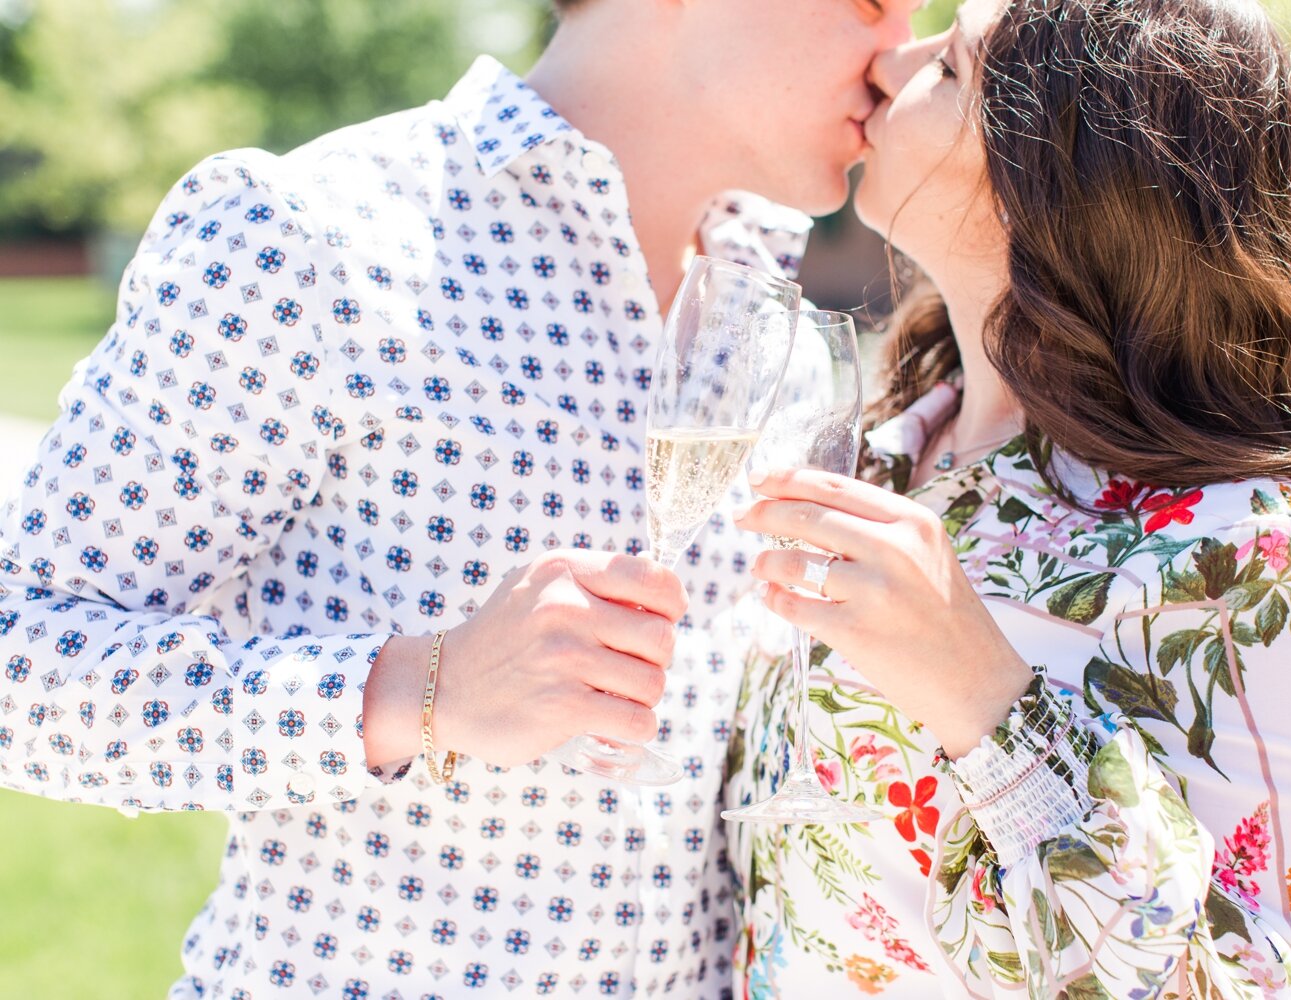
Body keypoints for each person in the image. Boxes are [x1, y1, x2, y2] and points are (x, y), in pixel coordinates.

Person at [0, 1, 919, 996]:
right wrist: (418, 690)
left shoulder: (779, 329)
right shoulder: (313, 239)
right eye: (871, 1)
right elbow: (20, 667)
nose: (901, 53)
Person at [726, 0, 1291, 995]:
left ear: (1059, 175)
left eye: (950, 70)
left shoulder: (1249, 559)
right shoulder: (873, 459)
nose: (893, 63)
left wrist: (991, 704)